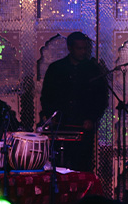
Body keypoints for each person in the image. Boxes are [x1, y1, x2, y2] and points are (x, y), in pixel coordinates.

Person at [40, 32, 108, 171]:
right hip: (61, 125)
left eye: (85, 48)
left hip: (83, 127)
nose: (83, 52)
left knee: (81, 167)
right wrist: (50, 115)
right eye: (79, 48)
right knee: (58, 167)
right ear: (70, 48)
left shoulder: (93, 69)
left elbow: (101, 98)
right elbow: (46, 96)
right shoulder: (56, 68)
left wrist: (92, 118)